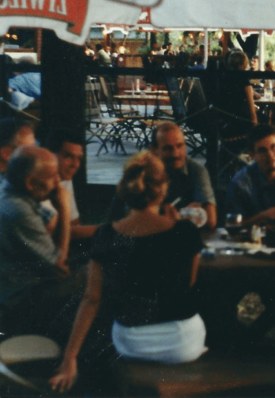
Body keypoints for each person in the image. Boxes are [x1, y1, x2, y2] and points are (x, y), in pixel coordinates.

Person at [49, 152, 207, 393]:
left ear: (124, 188)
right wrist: (177, 227)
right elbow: (189, 282)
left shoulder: (106, 235)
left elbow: (91, 299)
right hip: (183, 342)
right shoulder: (185, 231)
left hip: (132, 343)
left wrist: (70, 358)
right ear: (163, 190)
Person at [0, 146, 77, 342]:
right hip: (17, 301)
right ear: (30, 183)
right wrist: (64, 208)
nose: (58, 181)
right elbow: (60, 270)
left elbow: (46, 223)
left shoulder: (8, 188)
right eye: (52, 176)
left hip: (15, 287)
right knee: (97, 277)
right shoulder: (18, 210)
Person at [108, 123, 217, 229]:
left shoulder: (196, 170)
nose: (175, 154)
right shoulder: (141, 170)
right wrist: (183, 215)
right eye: (168, 149)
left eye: (180, 146)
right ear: (153, 150)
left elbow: (211, 220)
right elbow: (128, 218)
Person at [42, 130, 98, 241]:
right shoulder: (38, 185)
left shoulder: (64, 177)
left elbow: (73, 223)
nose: (75, 165)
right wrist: (112, 229)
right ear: (50, 154)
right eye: (68, 156)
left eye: (79, 158)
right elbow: (52, 234)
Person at [217, 50, 258, 139]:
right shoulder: (244, 81)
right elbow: (252, 113)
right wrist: (255, 129)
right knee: (266, 119)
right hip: (242, 123)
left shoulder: (224, 79)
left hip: (226, 122)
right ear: (244, 64)